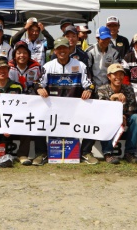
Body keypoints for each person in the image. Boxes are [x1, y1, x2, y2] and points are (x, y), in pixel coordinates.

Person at [37, 37, 96, 165]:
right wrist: (39, 89)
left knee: (93, 119)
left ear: (69, 49)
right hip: (53, 109)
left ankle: (85, 152)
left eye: (64, 48)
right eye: (59, 48)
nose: (62, 51)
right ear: (54, 51)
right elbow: (37, 83)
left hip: (75, 108)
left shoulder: (80, 65)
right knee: (36, 120)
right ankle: (41, 153)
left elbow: (90, 84)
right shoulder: (48, 66)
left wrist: (88, 90)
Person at [96, 63, 137, 164]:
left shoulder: (128, 89)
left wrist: (124, 116)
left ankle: (130, 153)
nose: (118, 77)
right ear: (109, 76)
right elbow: (102, 110)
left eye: (121, 74)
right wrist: (112, 98)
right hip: (108, 119)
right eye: (115, 74)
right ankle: (108, 153)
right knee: (104, 120)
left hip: (125, 118)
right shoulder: (101, 90)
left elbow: (132, 108)